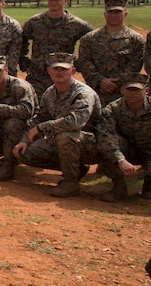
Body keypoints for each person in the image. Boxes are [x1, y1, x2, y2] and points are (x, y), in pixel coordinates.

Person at [13, 52, 101, 197]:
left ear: (72, 71)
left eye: (64, 69)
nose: (59, 72)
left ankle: (71, 182)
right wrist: (24, 140)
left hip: (91, 144)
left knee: (65, 136)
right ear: (49, 70)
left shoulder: (83, 93)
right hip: (65, 142)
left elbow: (75, 121)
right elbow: (39, 117)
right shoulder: (50, 92)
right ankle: (77, 168)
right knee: (25, 153)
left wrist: (42, 128)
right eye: (56, 69)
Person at [20, 0, 93, 97]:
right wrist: (24, 62)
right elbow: (21, 41)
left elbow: (93, 40)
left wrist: (79, 63)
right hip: (38, 78)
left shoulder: (76, 24)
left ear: (66, 0)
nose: (53, 2)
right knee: (35, 111)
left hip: (63, 78)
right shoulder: (35, 22)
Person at [77, 0, 145, 106]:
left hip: (123, 96)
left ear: (125, 14)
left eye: (118, 12)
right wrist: (100, 81)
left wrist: (115, 84)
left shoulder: (136, 40)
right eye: (110, 12)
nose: (114, 15)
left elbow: (135, 65)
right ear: (105, 14)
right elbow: (84, 62)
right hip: (95, 94)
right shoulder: (89, 39)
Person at [96, 73, 151, 202]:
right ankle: (119, 187)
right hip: (126, 150)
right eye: (129, 89)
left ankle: (148, 186)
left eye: (137, 90)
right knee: (107, 148)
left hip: (149, 149)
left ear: (147, 91)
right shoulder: (112, 109)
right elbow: (105, 136)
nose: (133, 93)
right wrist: (120, 160)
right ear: (122, 90)